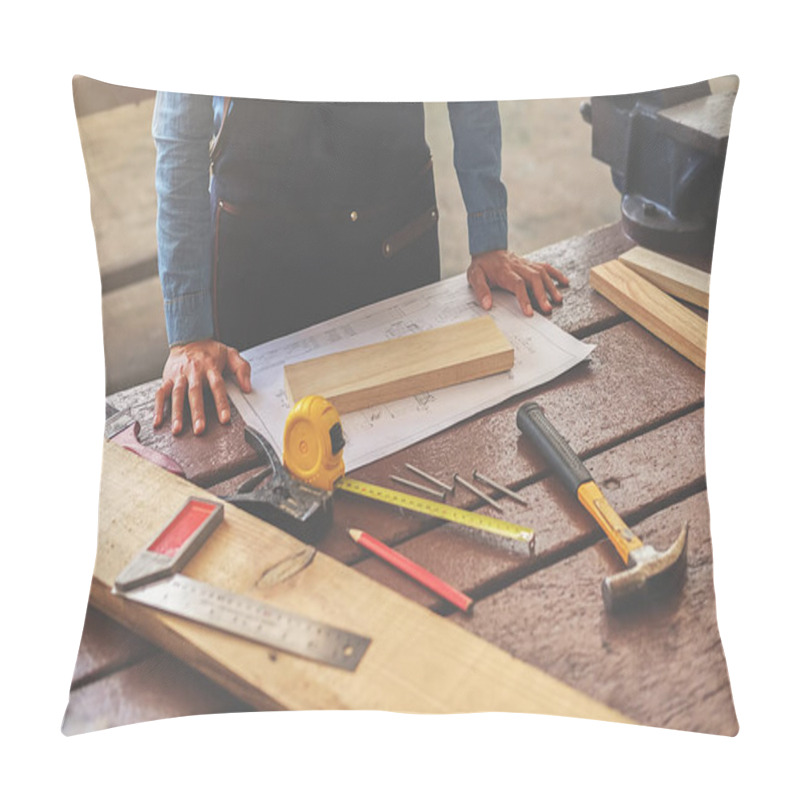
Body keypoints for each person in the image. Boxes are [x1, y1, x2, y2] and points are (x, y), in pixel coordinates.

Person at [151, 93, 568, 435]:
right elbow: (179, 135)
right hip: (262, 262)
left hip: (395, 240)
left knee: (428, 441)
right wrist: (189, 335)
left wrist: (489, 238)